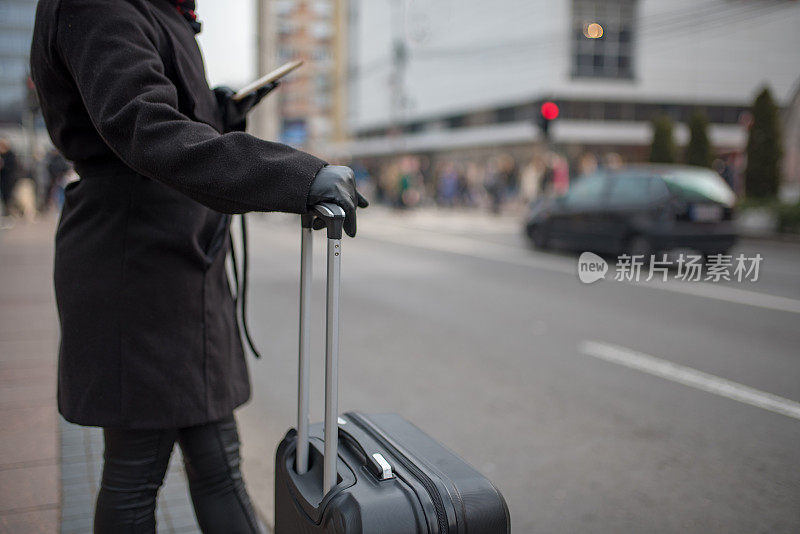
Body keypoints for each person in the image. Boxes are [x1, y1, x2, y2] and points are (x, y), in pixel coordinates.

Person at [30, 1, 367, 533]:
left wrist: (220, 109)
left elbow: (165, 112)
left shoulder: (155, 8)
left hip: (177, 262)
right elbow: (144, 126)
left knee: (217, 462)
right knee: (137, 471)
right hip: (135, 267)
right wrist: (294, 175)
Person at [0, 138, 18, 218]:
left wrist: (3, 164)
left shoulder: (10, 155)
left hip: (9, 180)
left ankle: (9, 213)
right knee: (4, 197)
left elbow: (13, 167)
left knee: (8, 197)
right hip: (2, 180)